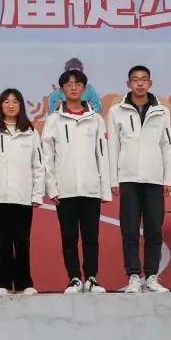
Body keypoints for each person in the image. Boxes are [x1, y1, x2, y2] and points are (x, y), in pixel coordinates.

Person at [42, 69, 112, 294]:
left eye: (78, 84)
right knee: (69, 238)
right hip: (65, 189)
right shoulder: (54, 120)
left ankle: (91, 278)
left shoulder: (96, 119)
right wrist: (52, 187)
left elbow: (102, 154)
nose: (73, 88)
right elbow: (47, 156)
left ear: (84, 88)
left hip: (91, 188)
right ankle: (74, 278)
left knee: (91, 238)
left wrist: (104, 189)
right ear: (62, 89)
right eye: (69, 84)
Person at [107, 65, 171, 294]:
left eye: (144, 79)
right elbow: (113, 146)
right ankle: (134, 276)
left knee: (154, 229)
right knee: (130, 231)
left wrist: (168, 179)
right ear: (129, 84)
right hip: (128, 179)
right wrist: (114, 179)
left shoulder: (161, 111)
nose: (140, 83)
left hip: (154, 179)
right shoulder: (117, 111)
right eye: (135, 80)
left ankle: (152, 276)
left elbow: (167, 146)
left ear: (150, 83)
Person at [0, 88, 44, 296]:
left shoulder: (30, 132)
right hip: (0, 197)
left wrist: (37, 194)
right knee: (3, 242)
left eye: (15, 102)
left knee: (23, 242)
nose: (10, 105)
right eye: (6, 102)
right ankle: (3, 283)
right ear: (1, 106)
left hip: (23, 196)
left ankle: (25, 283)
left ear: (21, 106)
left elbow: (38, 165)